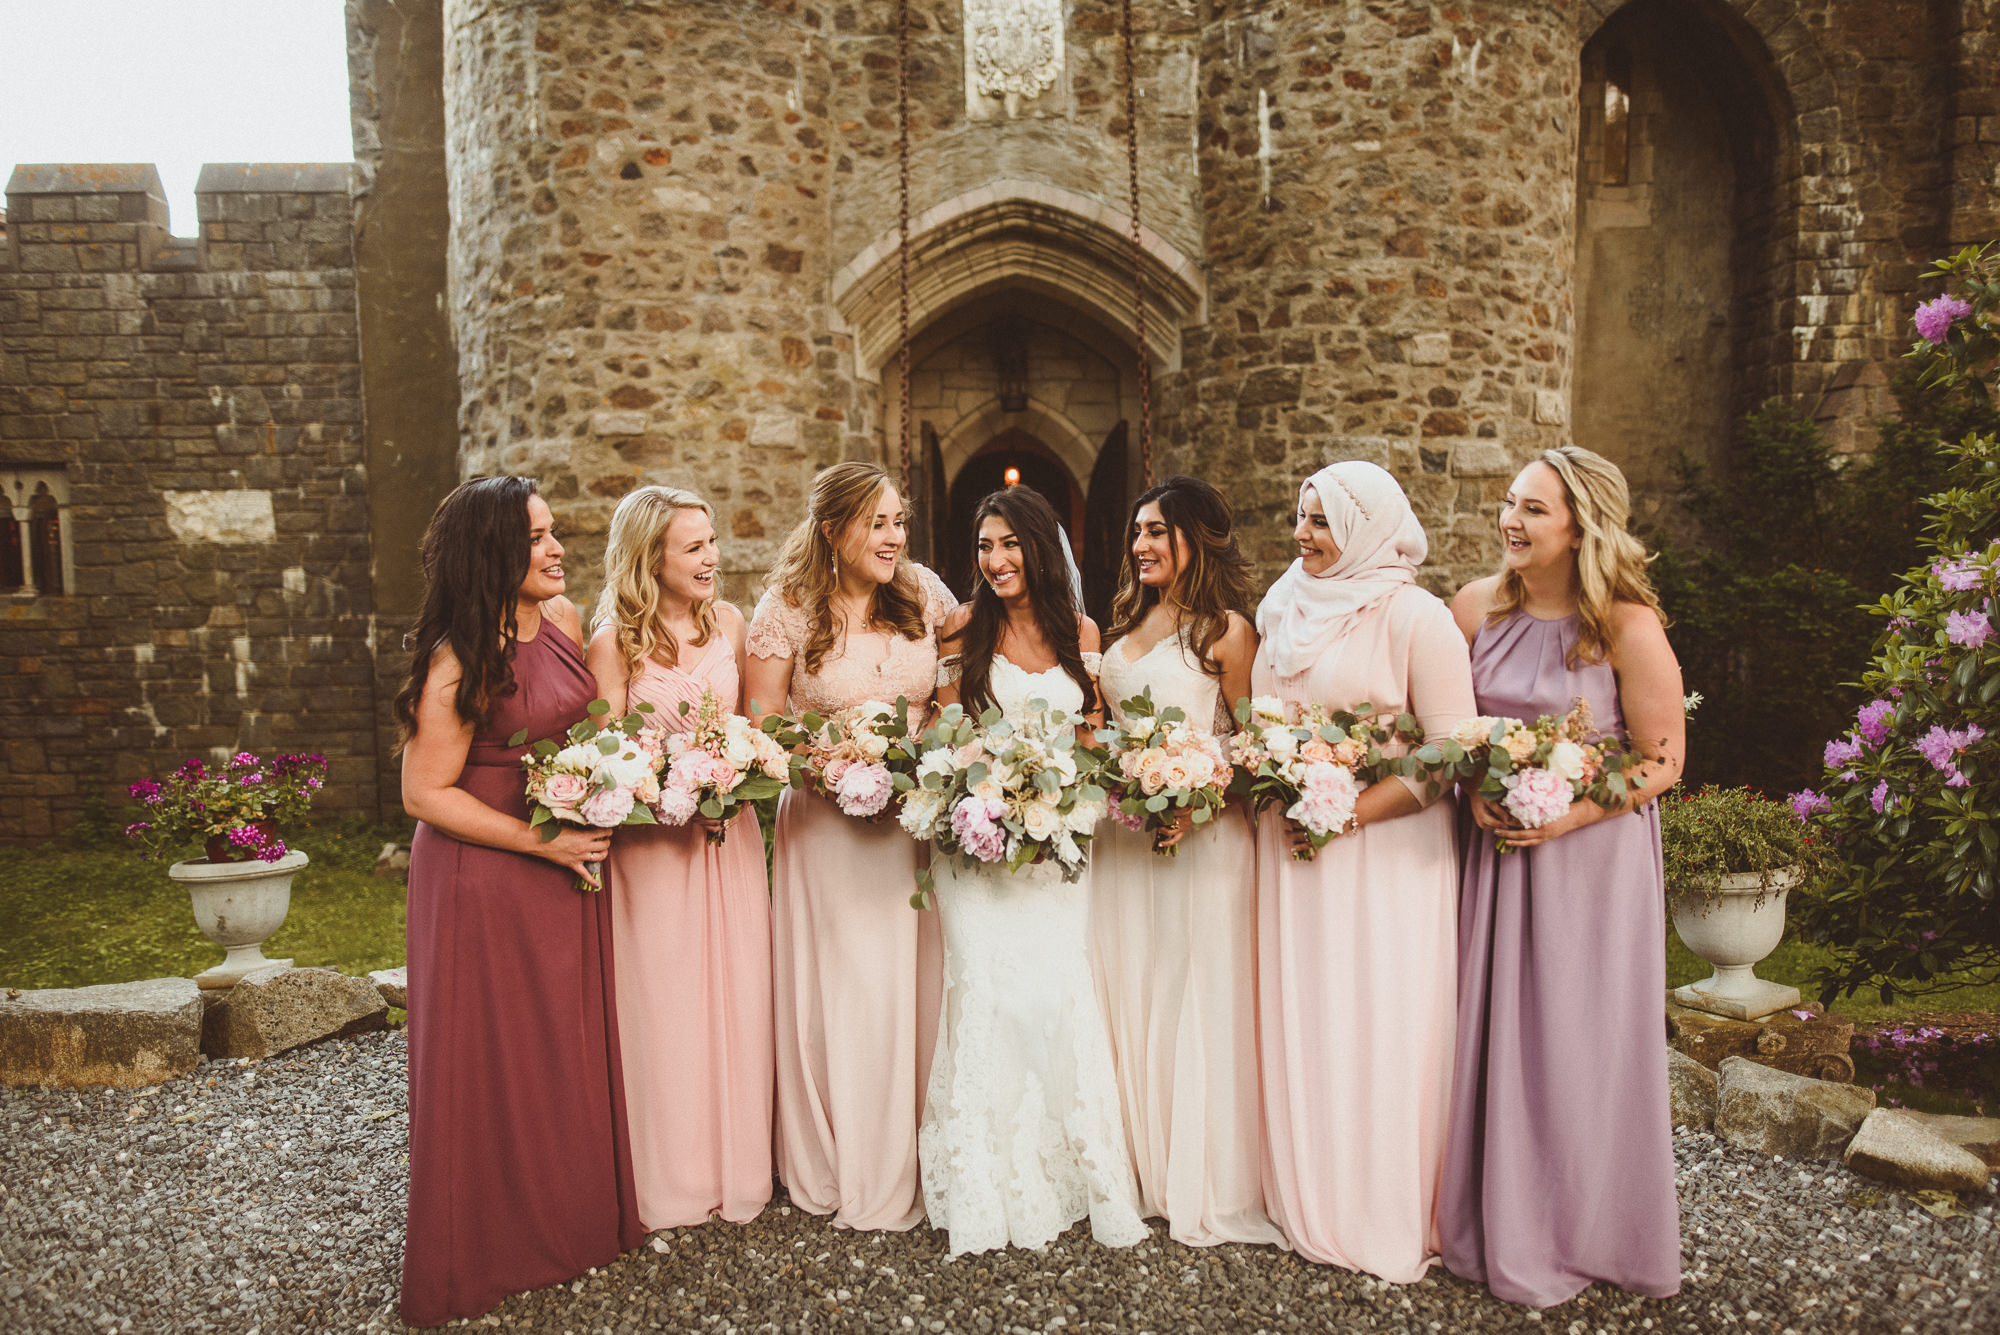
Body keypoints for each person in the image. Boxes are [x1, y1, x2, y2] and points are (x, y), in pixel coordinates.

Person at [1439, 446, 1684, 1308]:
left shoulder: (1626, 624)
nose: (1511, 519)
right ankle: (1491, 1218)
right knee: (1493, 1031)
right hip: (1496, 856)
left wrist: (1568, 813)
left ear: (1580, 522)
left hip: (1591, 860)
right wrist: (1472, 791)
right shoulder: (1472, 609)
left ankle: (1592, 1228)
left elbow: (1661, 760)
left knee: (1582, 1044)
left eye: (1533, 508)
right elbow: (1441, 726)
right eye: (1510, 503)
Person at [396, 476, 641, 1326]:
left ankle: (562, 1224)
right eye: (536, 537)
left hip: (561, 857)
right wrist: (549, 840)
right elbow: (426, 793)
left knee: (554, 1045)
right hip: (482, 876)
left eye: (553, 532)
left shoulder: (566, 623)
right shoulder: (460, 654)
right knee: (488, 1056)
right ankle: (483, 1247)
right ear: (494, 551)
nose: (556, 548)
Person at [1252, 461, 1474, 1282]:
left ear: (1370, 526)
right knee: (1307, 1010)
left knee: (1383, 1015)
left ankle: (1383, 1202)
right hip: (1294, 852)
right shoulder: (1282, 604)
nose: (1303, 536)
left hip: (1387, 858)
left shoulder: (1418, 617)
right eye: (1300, 517)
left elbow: (1450, 753)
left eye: (1321, 521)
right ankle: (1306, 1189)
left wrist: (1351, 808)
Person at [919, 484, 1147, 1256]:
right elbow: (947, 733)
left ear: (1040, 547)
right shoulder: (961, 626)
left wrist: (1058, 786)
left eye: (1009, 544)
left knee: (1052, 995)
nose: (995, 559)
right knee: (984, 991)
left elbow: (1093, 733)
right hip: (977, 845)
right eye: (984, 546)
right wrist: (985, 786)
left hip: (1057, 844)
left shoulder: (1078, 630)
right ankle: (980, 1176)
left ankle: (1064, 1166)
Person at [743, 460, 956, 1231]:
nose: (894, 535)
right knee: (849, 983)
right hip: (828, 824)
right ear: (833, 531)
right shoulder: (788, 607)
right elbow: (763, 717)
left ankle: (920, 1145)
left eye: (899, 520)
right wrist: (828, 766)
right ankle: (841, 1152)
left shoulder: (926, 594)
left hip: (911, 824)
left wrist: (932, 753)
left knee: (912, 976)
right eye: (877, 522)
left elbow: (960, 683)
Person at [1089, 476, 1282, 1248]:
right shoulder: (1122, 621)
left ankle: (1201, 1170)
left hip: (1200, 839)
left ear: (1195, 539)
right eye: (1136, 530)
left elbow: (1251, 743)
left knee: (1190, 994)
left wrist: (1197, 800)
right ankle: (1137, 1163)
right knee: (1131, 986)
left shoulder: (1226, 630)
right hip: (1124, 839)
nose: (1140, 545)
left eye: (1157, 531)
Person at [586, 485, 772, 1231]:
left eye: (712, 541)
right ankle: (669, 1175)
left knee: (735, 991)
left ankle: (738, 1166)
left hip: (729, 841)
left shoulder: (729, 621)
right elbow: (604, 755)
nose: (712, 557)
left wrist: (737, 762)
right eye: (693, 546)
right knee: (664, 1003)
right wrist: (665, 776)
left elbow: (757, 728)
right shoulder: (613, 644)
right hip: (653, 849)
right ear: (649, 558)